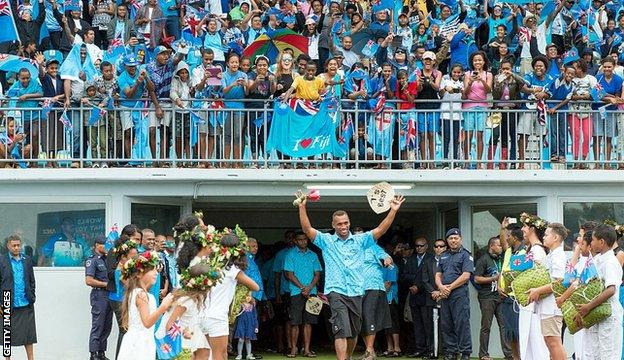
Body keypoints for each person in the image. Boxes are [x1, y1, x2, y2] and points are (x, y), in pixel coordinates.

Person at [298, 192, 404, 360]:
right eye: (339, 224)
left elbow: (381, 230)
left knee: (353, 332)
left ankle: (347, 357)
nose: (343, 226)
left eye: (345, 223)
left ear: (349, 223)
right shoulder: (326, 241)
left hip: (356, 291)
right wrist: (302, 206)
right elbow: (307, 229)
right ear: (333, 225)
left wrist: (393, 210)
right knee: (341, 330)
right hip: (336, 291)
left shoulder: (361, 240)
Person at [200, 232, 260, 360]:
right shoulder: (232, 270)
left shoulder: (211, 265)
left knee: (204, 355)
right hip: (218, 317)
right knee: (221, 355)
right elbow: (256, 287)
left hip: (202, 315)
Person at [117, 251, 175, 359]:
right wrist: (163, 307)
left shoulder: (136, 292)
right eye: (152, 269)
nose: (156, 272)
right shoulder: (141, 295)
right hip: (140, 343)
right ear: (139, 274)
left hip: (139, 340)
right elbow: (147, 322)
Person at [580, 224, 623, 360]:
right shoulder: (598, 260)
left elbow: (611, 289)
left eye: (592, 240)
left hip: (608, 316)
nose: (590, 243)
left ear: (602, 242)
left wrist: (588, 306)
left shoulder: (610, 261)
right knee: (594, 354)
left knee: (608, 354)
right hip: (597, 315)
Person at [435, 228, 473, 360]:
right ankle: (451, 351)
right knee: (446, 324)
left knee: (461, 323)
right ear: (447, 240)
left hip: (459, 293)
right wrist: (441, 287)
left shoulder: (466, 255)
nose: (453, 240)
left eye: (456, 238)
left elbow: (466, 275)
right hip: (445, 294)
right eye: (450, 238)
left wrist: (449, 288)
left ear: (460, 239)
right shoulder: (443, 255)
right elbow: (438, 274)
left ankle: (465, 352)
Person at [284, 232, 322, 358]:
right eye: (300, 240)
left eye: (305, 239)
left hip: (311, 293)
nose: (303, 242)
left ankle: (306, 349)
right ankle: (294, 349)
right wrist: (302, 288)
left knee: (308, 322)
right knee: (295, 322)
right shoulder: (290, 254)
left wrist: (309, 288)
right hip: (296, 292)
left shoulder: (313, 255)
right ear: (295, 241)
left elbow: (317, 274)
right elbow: (289, 274)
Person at [474, 236, 512, 360]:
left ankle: (509, 354)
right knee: (486, 327)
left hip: (500, 297)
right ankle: (483, 354)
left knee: (504, 326)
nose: (501, 247)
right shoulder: (483, 260)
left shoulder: (501, 259)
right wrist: (493, 279)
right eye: (499, 245)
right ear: (491, 246)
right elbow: (476, 278)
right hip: (487, 297)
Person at [0, 234, 37, 360]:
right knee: (6, 334)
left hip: (26, 302)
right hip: (7, 301)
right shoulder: (2, 260)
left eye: (18, 245)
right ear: (8, 246)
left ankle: (31, 358)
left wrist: (32, 295)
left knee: (29, 334)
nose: (16, 248)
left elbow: (32, 280)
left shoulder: (27, 260)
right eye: (13, 245)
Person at [360, 243, 394, 360]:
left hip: (373, 287)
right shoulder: (352, 249)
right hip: (357, 289)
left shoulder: (373, 247)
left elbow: (386, 256)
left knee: (369, 317)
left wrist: (387, 260)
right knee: (361, 318)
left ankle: (369, 350)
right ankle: (370, 351)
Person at [498, 218, 526, 360]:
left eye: (509, 236)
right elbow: (504, 271)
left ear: (515, 238)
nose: (506, 239)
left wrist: (508, 287)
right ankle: (515, 358)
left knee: (518, 332)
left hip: (517, 299)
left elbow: (519, 277)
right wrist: (499, 285)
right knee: (510, 334)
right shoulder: (509, 251)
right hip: (506, 298)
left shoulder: (524, 253)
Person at [85, 236, 113, 360]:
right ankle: (93, 353)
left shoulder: (107, 259)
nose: (107, 247)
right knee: (98, 324)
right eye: (104, 244)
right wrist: (105, 284)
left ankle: (101, 352)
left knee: (107, 325)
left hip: (109, 295)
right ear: (97, 245)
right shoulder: (92, 260)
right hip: (99, 295)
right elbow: (89, 280)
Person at [422, 238, 448, 358]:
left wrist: (441, 292)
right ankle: (432, 351)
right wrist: (434, 292)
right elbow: (425, 279)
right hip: (431, 298)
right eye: (436, 246)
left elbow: (451, 278)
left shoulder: (449, 260)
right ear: (433, 248)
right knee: (429, 327)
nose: (439, 248)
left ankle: (447, 351)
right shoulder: (427, 261)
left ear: (445, 248)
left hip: (446, 297)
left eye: (441, 246)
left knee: (446, 325)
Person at [409, 237, 435, 358]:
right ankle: (420, 348)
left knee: (428, 324)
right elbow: (404, 275)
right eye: (417, 246)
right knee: (417, 325)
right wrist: (412, 285)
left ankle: (430, 349)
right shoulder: (411, 259)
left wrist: (418, 286)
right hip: (413, 296)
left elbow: (431, 277)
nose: (419, 248)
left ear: (427, 246)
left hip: (426, 296)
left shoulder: (431, 259)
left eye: (421, 245)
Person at [234, 295, 259, 360]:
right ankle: (239, 355)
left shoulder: (252, 305)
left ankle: (248, 354)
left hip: (250, 324)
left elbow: (255, 316)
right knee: (240, 339)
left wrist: (256, 326)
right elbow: (235, 313)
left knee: (248, 339)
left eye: (249, 296)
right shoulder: (240, 304)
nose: (247, 297)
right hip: (241, 323)